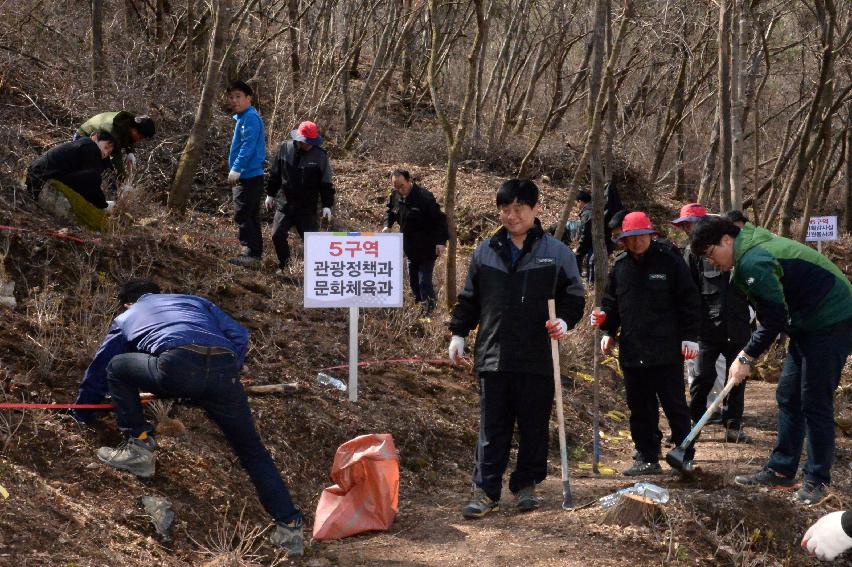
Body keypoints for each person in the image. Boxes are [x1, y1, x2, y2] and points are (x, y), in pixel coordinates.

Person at [73, 279, 305, 555]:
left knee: (117, 366)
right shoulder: (194, 301)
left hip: (177, 363)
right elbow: (240, 336)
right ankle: (290, 529)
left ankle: (139, 446)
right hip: (223, 371)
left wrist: (82, 414)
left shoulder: (127, 316)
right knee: (253, 452)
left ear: (126, 303)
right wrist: (224, 373)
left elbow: (102, 367)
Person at [689, 217, 852, 503]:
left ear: (727, 240)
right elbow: (771, 312)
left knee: (814, 400)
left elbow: (774, 318)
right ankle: (781, 470)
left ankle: (817, 480)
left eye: (711, 254)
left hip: (832, 319)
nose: (712, 263)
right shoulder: (748, 254)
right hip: (807, 322)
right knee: (788, 395)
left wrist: (746, 356)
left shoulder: (753, 259)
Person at [448, 179, 585, 518]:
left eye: (518, 209)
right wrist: (459, 333)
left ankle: (526, 484)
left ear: (536, 209)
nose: (511, 216)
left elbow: (575, 297)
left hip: (538, 355)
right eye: (505, 210)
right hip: (494, 353)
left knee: (533, 425)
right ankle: (485, 491)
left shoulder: (557, 252)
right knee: (492, 428)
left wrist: (565, 322)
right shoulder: (485, 250)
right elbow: (469, 299)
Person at [591, 211, 701, 476]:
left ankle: (683, 452)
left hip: (666, 349)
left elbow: (690, 300)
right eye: (632, 238)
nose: (638, 242)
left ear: (651, 235)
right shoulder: (620, 267)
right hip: (632, 349)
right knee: (640, 407)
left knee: (674, 404)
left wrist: (690, 336)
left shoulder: (670, 261)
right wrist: (607, 329)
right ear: (624, 241)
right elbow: (611, 303)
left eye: (642, 236)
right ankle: (646, 455)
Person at [671, 203, 752, 443]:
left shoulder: (740, 249)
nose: (688, 229)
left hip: (738, 325)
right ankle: (693, 425)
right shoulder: (693, 254)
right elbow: (689, 293)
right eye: (685, 225)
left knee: (737, 378)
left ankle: (733, 425)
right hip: (707, 328)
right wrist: (690, 329)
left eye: (691, 224)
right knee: (701, 378)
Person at [265, 121, 334, 273]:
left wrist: (327, 205)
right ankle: (285, 264)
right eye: (306, 142)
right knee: (277, 235)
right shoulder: (285, 148)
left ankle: (318, 271)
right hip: (285, 202)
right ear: (298, 139)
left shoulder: (320, 156)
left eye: (312, 142)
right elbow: (275, 174)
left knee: (313, 242)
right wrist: (270, 194)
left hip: (307, 207)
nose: (309, 145)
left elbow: (326, 183)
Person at [382, 170, 448, 313]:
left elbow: (440, 220)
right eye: (396, 187)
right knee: (414, 284)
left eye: (402, 186)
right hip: (410, 248)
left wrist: (441, 242)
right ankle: (420, 310)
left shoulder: (424, 197)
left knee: (424, 282)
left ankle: (430, 312)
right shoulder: (395, 196)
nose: (400, 190)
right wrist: (388, 225)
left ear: (409, 181)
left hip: (427, 247)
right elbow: (391, 211)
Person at [225, 81, 267, 268]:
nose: (234, 100)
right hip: (249, 175)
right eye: (232, 97)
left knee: (243, 214)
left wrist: (237, 168)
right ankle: (254, 254)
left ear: (249, 98)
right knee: (249, 215)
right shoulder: (243, 117)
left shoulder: (250, 117)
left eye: (238, 96)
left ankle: (250, 253)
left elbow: (248, 146)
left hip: (248, 176)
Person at [27, 130, 116, 210]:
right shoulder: (90, 147)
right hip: (42, 178)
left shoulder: (81, 144)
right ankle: (102, 207)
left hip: (36, 174)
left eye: (108, 153)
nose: (105, 153)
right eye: (106, 147)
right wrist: (103, 205)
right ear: (94, 138)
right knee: (94, 177)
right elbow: (93, 181)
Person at [76, 111, 155, 180]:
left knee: (105, 168)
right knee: (90, 170)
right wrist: (123, 179)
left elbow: (127, 137)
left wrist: (130, 153)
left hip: (99, 142)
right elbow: (116, 157)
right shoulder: (114, 130)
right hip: (84, 135)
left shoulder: (129, 122)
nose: (139, 140)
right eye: (140, 137)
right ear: (135, 130)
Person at [573, 190, 593, 282]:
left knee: (577, 256)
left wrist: (579, 247)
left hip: (590, 241)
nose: (576, 205)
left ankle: (579, 279)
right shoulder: (592, 210)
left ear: (580, 201)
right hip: (591, 241)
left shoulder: (587, 213)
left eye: (576, 202)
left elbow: (585, 232)